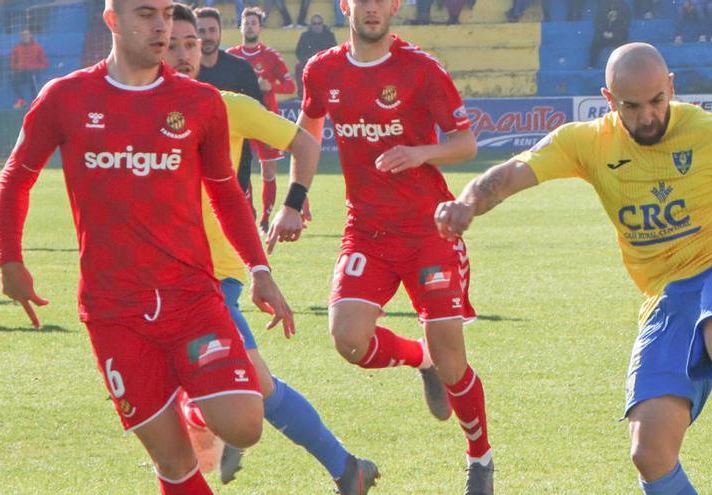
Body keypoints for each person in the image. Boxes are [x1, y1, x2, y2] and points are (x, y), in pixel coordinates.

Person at [435, 42, 712, 495]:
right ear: (608, 100)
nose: (648, 116)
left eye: (658, 100)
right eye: (632, 106)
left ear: (671, 86)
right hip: (664, 296)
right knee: (649, 450)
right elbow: (514, 170)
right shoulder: (586, 143)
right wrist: (467, 203)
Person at [0, 0, 297, 493]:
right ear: (111, 20)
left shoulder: (199, 103)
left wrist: (259, 268)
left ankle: (193, 402)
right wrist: (10, 258)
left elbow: (224, 189)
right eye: (143, 14)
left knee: (245, 424)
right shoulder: (65, 97)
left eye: (163, 13)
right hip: (115, 312)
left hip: (192, 299)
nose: (159, 26)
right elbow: (15, 177)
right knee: (175, 465)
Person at [164, 5, 378, 492]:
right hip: (158, 275)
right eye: (171, 44)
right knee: (242, 387)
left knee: (250, 388)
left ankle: (339, 465)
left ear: (203, 49)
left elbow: (304, 143)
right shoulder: (137, 116)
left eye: (190, 44)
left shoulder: (229, 106)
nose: (181, 54)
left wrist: (293, 203)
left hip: (213, 273)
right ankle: (346, 468)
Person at [285, 0, 493, 492]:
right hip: (367, 231)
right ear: (346, 6)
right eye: (364, 0)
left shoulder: (420, 69)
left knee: (454, 362)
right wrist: (294, 199)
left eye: (383, 0)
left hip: (428, 232)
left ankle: (480, 458)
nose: (373, 8)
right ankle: (419, 360)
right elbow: (308, 131)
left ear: (395, 6)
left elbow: (465, 142)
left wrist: (421, 151)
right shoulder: (323, 69)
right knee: (348, 340)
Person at [227, 7, 298, 233]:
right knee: (241, 171)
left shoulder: (271, 56)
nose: (250, 26)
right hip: (238, 121)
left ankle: (265, 219)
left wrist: (272, 86)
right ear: (241, 27)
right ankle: (248, 215)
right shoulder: (230, 56)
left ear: (260, 27)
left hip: (265, 119)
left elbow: (290, 86)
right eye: (246, 23)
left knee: (268, 172)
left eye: (254, 23)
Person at [196, 6, 261, 211]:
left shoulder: (240, 68)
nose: (207, 36)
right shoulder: (185, 69)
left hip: (236, 157)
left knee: (233, 213)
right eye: (201, 31)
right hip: (194, 155)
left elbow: (258, 112)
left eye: (212, 30)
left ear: (220, 32)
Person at [295, 14, 337, 99]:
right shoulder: (305, 36)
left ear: (322, 24)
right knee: (299, 66)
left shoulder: (329, 35)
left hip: (325, 63)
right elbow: (298, 52)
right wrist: (307, 60)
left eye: (319, 23)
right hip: (309, 62)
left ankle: (331, 96)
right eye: (314, 23)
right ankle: (302, 95)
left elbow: (334, 51)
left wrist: (324, 60)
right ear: (311, 25)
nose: (317, 26)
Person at [9, 29, 48, 109]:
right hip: (21, 71)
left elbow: (45, 63)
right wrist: (18, 66)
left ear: (30, 36)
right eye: (23, 35)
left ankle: (36, 102)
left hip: (33, 72)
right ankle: (21, 100)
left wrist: (35, 66)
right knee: (14, 80)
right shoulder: (17, 47)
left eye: (26, 35)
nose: (25, 37)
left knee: (33, 80)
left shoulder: (37, 47)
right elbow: (12, 63)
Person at [589, 0, 631, 68]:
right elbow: (597, 22)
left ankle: (624, 66)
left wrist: (614, 33)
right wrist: (603, 32)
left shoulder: (624, 7)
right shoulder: (602, 6)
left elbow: (626, 24)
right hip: (604, 35)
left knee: (623, 47)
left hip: (618, 36)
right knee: (595, 45)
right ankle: (591, 65)